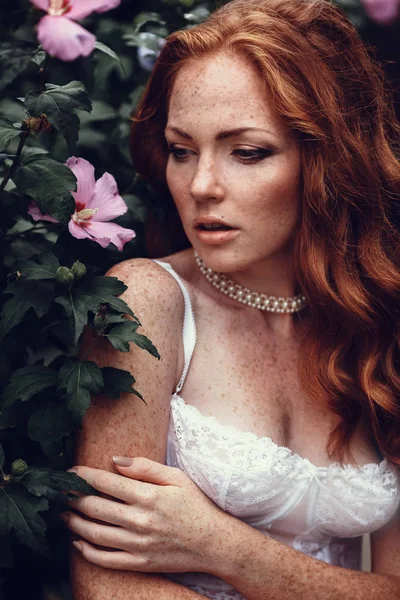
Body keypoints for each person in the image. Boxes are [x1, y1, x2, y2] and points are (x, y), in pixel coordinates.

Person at [64, 1, 400, 598]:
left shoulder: (378, 319)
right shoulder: (144, 303)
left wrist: (223, 547)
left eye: (247, 152)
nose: (200, 186)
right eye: (181, 150)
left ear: (328, 161)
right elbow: (105, 584)